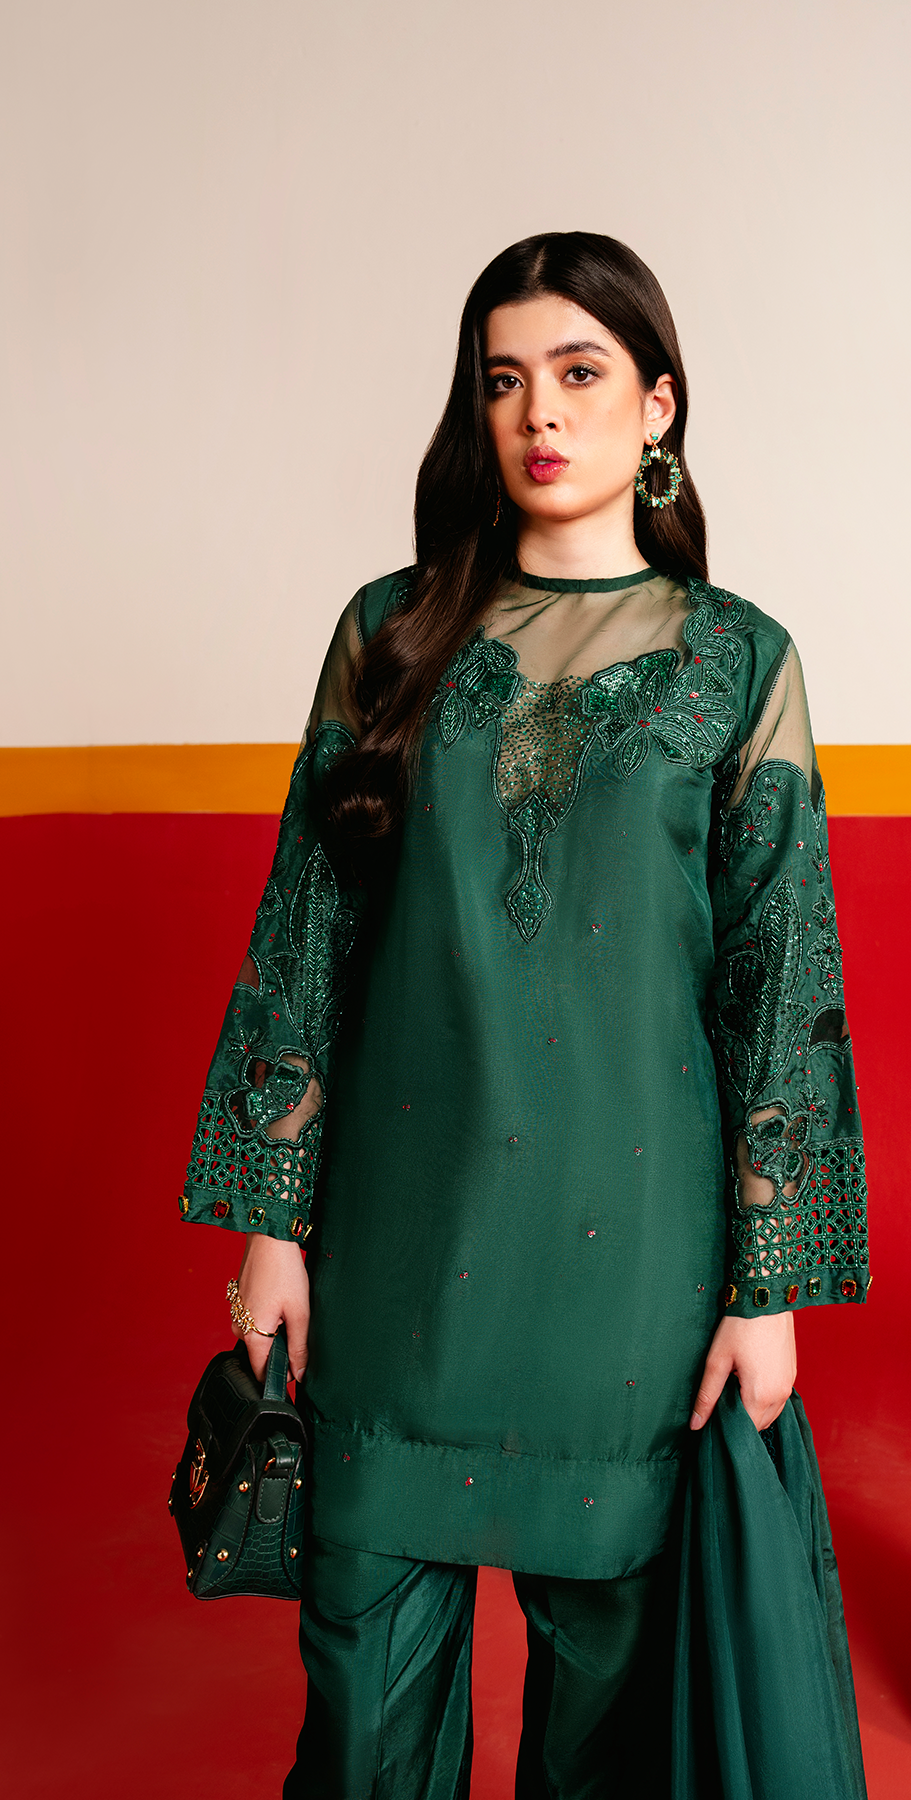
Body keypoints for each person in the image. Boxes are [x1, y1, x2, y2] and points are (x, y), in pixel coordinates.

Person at [179, 231, 870, 1798]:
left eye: (578, 372)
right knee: (363, 1719)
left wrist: (766, 1293)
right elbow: (306, 943)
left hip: (632, 1275)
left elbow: (778, 990)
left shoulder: (737, 663)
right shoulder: (389, 636)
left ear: (659, 404)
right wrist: (271, 1228)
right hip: (399, 1256)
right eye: (504, 381)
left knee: (605, 1732)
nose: (539, 413)